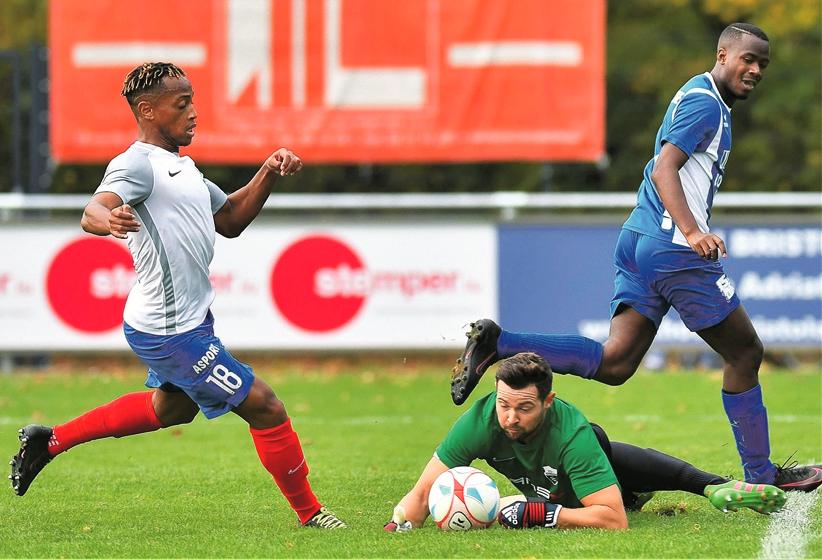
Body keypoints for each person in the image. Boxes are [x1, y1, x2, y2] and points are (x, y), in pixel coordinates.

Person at [450, 23, 822, 493]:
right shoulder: (707, 103)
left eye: (762, 64)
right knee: (745, 352)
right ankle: (761, 476)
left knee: (617, 363)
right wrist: (692, 230)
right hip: (672, 248)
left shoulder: (696, 93)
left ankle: (500, 344)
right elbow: (666, 165)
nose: (754, 70)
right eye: (747, 59)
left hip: (639, 238)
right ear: (722, 54)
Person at [9, 62, 345, 529]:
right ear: (148, 110)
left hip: (189, 322)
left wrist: (268, 170)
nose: (193, 113)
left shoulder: (183, 169)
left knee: (173, 408)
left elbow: (229, 219)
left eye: (193, 101)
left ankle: (49, 441)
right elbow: (93, 209)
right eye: (181, 103)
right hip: (168, 332)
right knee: (266, 407)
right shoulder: (137, 164)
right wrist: (108, 222)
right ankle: (312, 515)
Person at [388, 353, 786, 532]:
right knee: (594, 470)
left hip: (575, 486)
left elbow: (613, 521)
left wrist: (539, 516)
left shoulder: (571, 433)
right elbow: (422, 493)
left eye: (524, 408)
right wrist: (399, 525)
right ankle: (705, 484)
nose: (509, 417)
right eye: (504, 404)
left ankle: (704, 484)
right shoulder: (481, 419)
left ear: (548, 401)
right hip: (553, 488)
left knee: (598, 445)